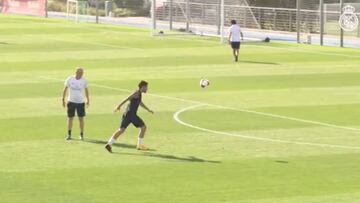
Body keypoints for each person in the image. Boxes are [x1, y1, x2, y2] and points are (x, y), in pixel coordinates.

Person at [105, 81, 154, 153]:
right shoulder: (137, 93)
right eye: (146, 87)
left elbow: (140, 102)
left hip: (127, 114)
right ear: (142, 87)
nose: (147, 89)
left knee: (121, 130)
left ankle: (109, 144)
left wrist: (148, 109)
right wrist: (118, 106)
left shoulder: (139, 94)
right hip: (132, 115)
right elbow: (127, 98)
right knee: (143, 127)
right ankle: (139, 145)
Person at [62, 67, 90, 141]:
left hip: (80, 102)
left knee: (81, 118)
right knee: (70, 118)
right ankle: (69, 134)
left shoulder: (84, 80)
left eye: (82, 73)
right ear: (76, 72)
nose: (81, 74)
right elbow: (65, 89)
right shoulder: (70, 79)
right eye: (79, 72)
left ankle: (81, 134)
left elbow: (86, 90)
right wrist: (63, 99)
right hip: (71, 101)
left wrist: (88, 100)